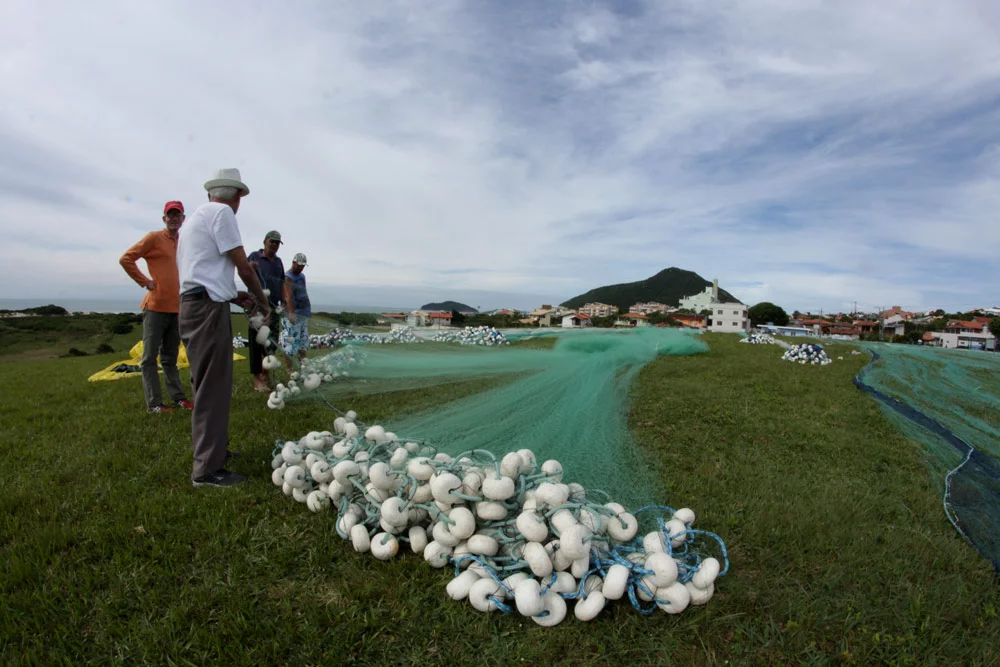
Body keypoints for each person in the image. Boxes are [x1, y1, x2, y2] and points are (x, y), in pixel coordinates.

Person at [177, 168, 269, 488]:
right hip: (206, 312)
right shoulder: (223, 213)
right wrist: (262, 301)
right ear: (237, 197)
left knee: (206, 385)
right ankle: (207, 470)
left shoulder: (195, 219)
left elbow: (204, 273)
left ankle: (213, 453)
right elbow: (242, 265)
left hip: (192, 306)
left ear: (211, 192)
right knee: (213, 390)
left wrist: (235, 296)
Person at [119, 200, 193, 414]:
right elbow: (126, 259)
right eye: (170, 215)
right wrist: (144, 281)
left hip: (177, 308)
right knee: (149, 357)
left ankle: (178, 398)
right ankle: (154, 404)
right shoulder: (153, 238)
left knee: (170, 357)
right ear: (164, 219)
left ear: (183, 219)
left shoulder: (185, 242)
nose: (174, 218)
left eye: (177, 215)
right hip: (155, 306)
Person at [247, 231, 288, 392]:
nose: (275, 245)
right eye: (272, 242)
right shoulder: (254, 256)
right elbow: (245, 273)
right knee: (257, 343)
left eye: (278, 243)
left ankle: (266, 375)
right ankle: (258, 380)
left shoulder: (278, 262)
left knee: (271, 343)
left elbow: (282, 283)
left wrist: (284, 301)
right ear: (265, 241)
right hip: (257, 306)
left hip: (274, 307)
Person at [281, 252, 311, 366]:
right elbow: (288, 296)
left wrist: (307, 308)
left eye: (302, 266)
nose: (300, 268)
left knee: (303, 342)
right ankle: (290, 370)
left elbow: (303, 292)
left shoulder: (302, 276)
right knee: (290, 343)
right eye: (298, 265)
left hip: (303, 314)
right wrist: (291, 313)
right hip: (292, 315)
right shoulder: (288, 277)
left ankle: (303, 367)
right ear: (293, 262)